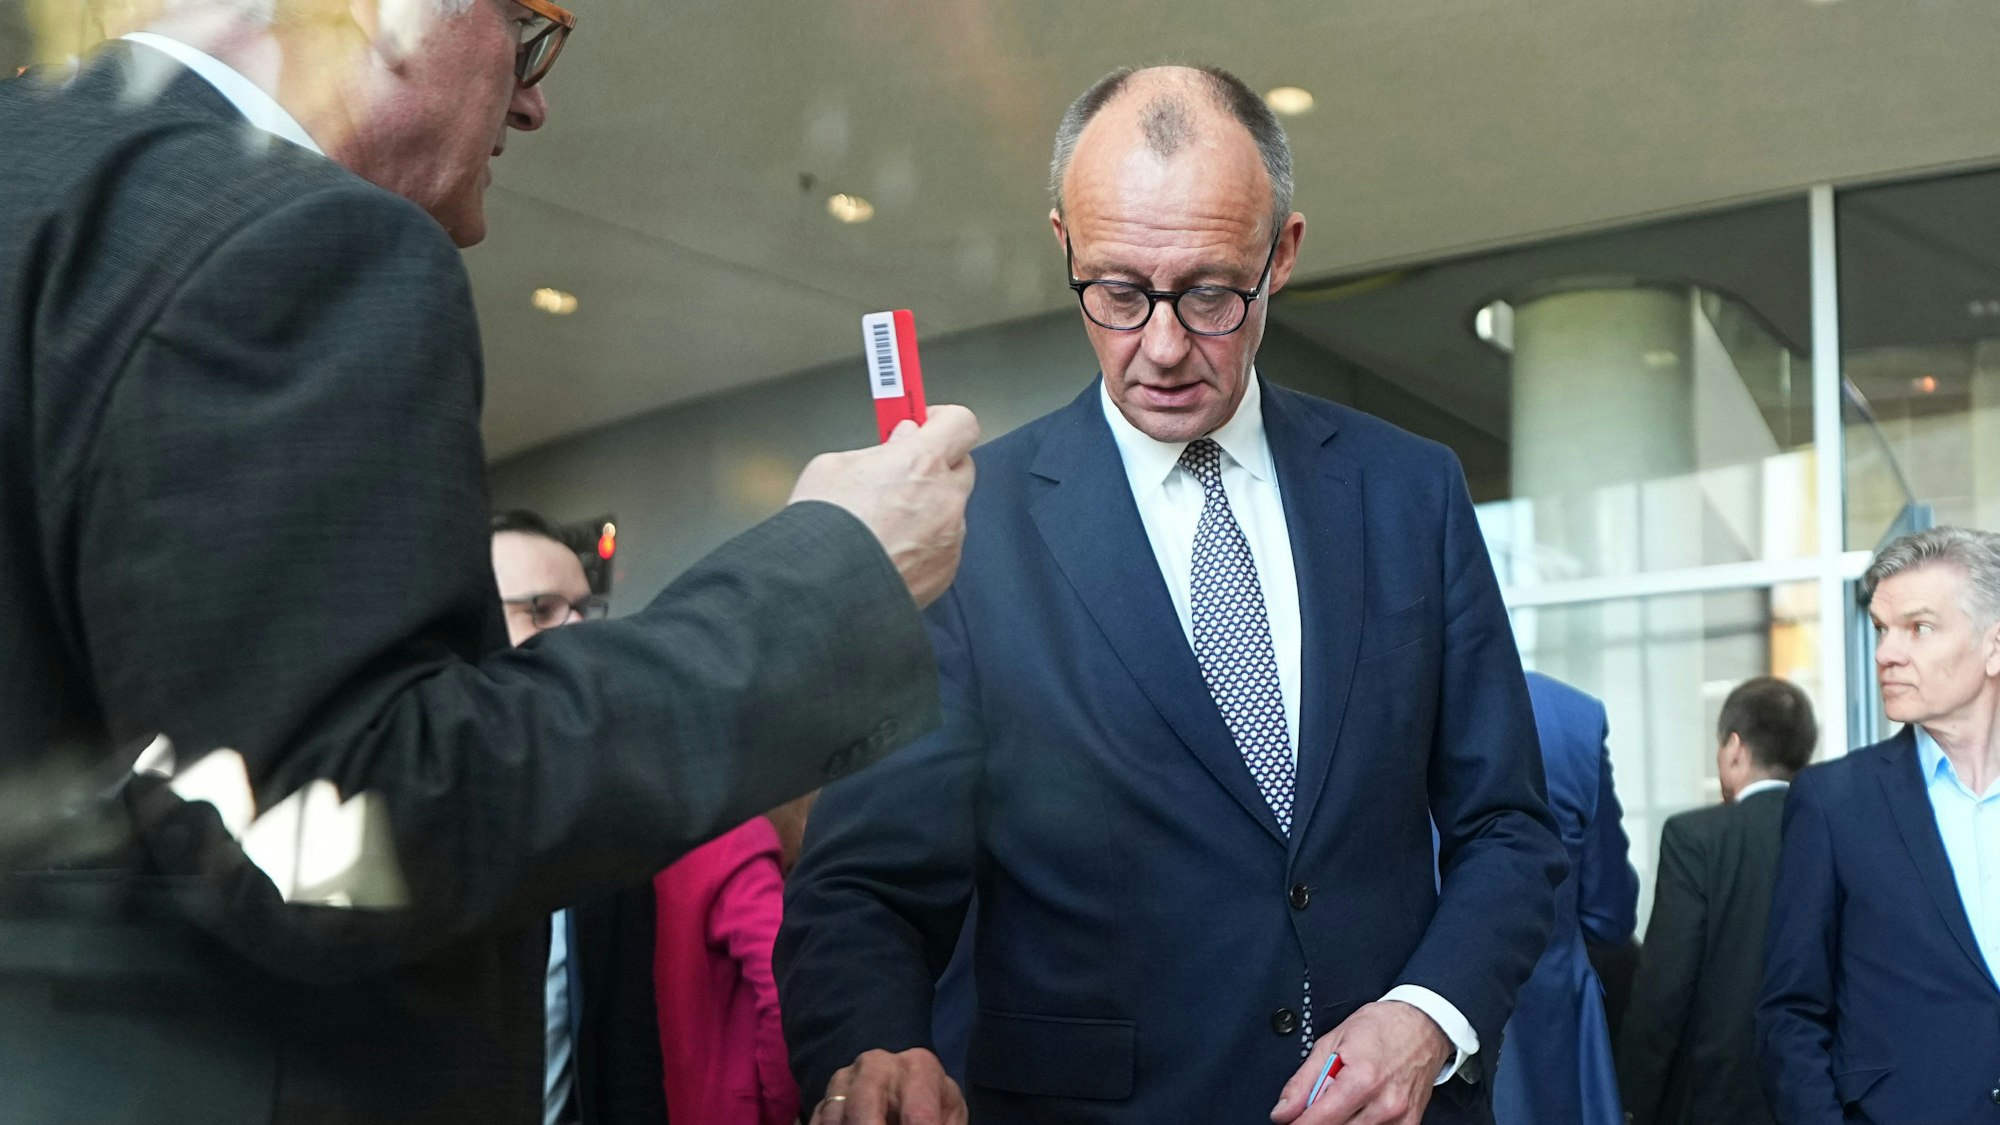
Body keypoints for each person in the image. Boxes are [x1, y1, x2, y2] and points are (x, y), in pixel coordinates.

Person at [0, 1, 980, 1122]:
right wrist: (828, 581)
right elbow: (348, 829)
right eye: (530, 30)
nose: (533, 95)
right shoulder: (298, 237)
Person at [776, 64, 1565, 1125]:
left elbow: (1506, 828)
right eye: (1114, 291)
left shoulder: (1405, 491)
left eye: (1208, 293)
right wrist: (876, 1046)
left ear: (1279, 254)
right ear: (1063, 245)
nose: (1159, 346)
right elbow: (867, 884)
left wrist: (1426, 1014)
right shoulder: (967, 525)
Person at [1758, 527, 2000, 1123]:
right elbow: (1789, 1015)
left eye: (1919, 628)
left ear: (1994, 647)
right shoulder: (1833, 803)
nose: (1886, 653)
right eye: (1881, 629)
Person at [490, 511, 667, 1125]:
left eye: (582, 610)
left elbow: (626, 1045)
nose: (573, 632)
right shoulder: (409, 811)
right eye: (540, 609)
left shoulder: (608, 825)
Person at [1620, 676, 1816, 1125]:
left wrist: (1633, 1099)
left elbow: (1666, 985)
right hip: (1816, 1095)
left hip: (1713, 1098)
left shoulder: (1696, 839)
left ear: (1734, 748)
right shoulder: (1837, 833)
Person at [1492, 673, 1638, 1125]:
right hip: (1551, 1036)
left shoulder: (1384, 705)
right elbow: (1609, 914)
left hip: (1412, 1035)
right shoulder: (1574, 716)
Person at [652, 793, 815, 1125]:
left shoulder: (649, 842)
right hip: (729, 1111)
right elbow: (784, 986)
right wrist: (775, 1107)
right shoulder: (740, 845)